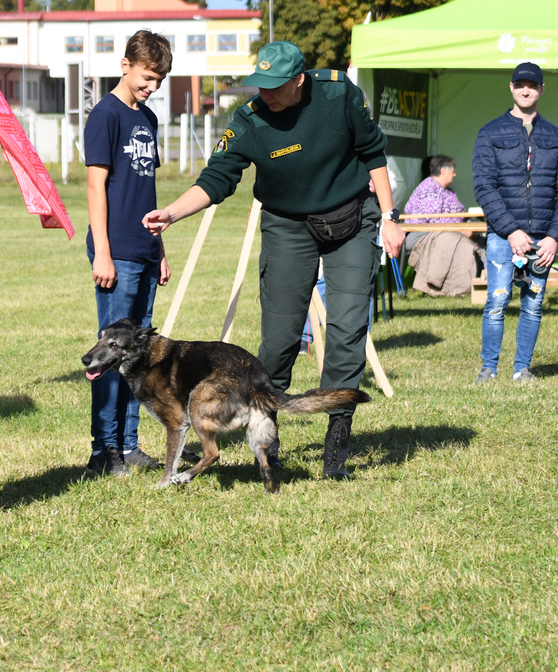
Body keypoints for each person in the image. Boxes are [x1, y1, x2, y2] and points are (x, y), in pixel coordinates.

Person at [143, 42, 403, 479]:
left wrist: (391, 217)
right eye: (260, 84)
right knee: (279, 339)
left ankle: (336, 448)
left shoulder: (339, 95)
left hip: (354, 218)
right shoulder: (249, 121)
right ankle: (269, 446)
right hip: (288, 225)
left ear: (300, 79)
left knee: (348, 326)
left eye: (275, 86)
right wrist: (172, 212)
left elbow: (373, 152)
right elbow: (217, 178)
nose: (266, 94)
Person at [84, 29, 174, 476]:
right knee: (111, 355)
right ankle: (104, 451)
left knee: (140, 356)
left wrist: (159, 249)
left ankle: (131, 444)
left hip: (144, 250)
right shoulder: (105, 116)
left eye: (158, 80)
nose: (152, 87)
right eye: (147, 77)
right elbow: (96, 186)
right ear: (125, 65)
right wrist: (102, 250)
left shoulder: (149, 120)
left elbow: (147, 190)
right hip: (114, 253)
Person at [471, 62, 558, 383]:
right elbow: (483, 186)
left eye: (532, 85)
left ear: (541, 90)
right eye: (520, 84)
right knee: (496, 301)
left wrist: (554, 237)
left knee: (533, 304)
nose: (526, 90)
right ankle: (488, 369)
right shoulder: (490, 132)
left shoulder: (554, 135)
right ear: (510, 87)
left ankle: (522, 370)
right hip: (502, 237)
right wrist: (511, 231)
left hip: (544, 240)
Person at [403, 155, 480, 297]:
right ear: (444, 171)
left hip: (446, 231)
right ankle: (452, 287)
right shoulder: (429, 189)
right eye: (453, 171)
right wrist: (461, 230)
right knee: (457, 241)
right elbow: (434, 221)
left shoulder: (448, 191)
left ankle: (481, 281)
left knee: (480, 239)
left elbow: (459, 214)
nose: (455, 174)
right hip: (421, 234)